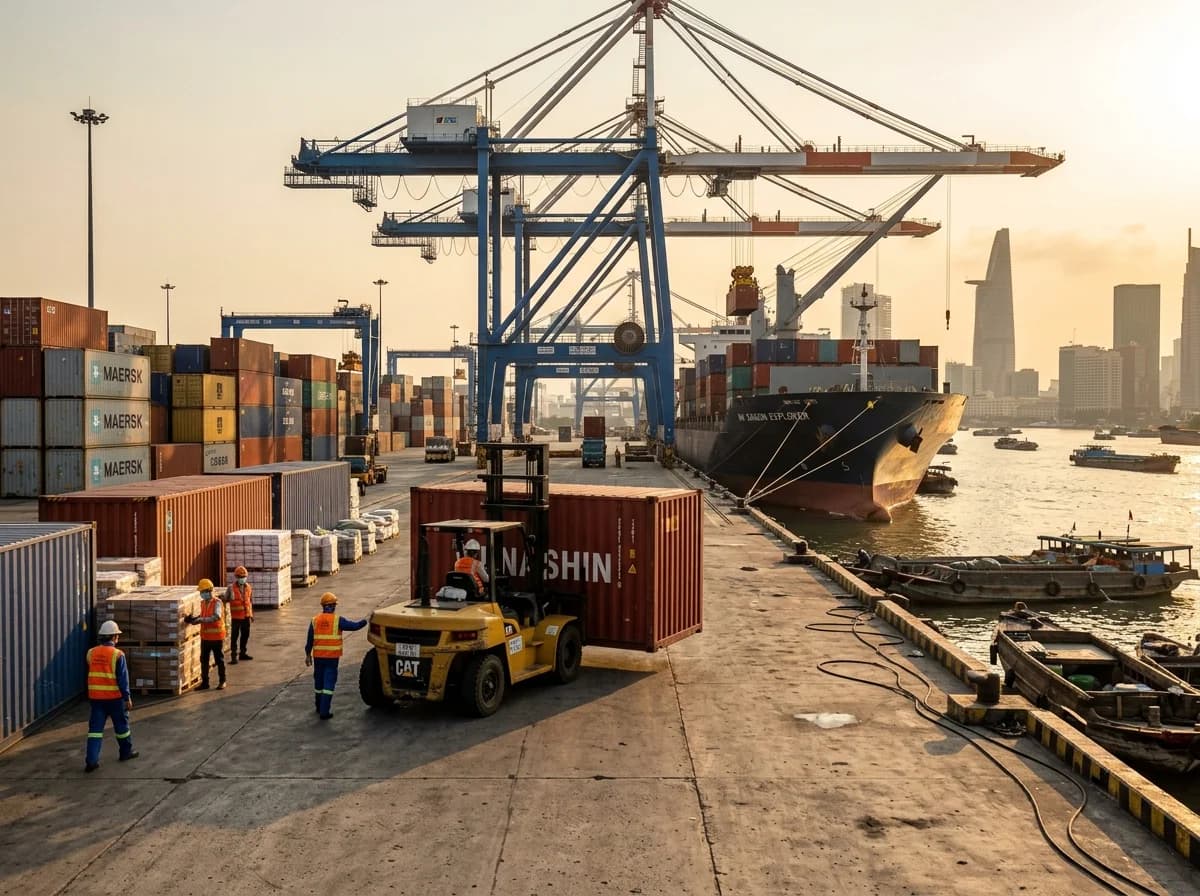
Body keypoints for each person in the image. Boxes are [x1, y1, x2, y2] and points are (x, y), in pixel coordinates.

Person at [84, 620, 138, 772]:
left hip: (96, 699)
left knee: (95, 730)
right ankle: (125, 752)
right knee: (122, 727)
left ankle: (91, 761)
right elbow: (123, 679)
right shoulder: (118, 655)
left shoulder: (91, 653)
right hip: (114, 698)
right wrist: (127, 698)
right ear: (114, 637)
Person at [305, 593, 367, 720]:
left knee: (319, 682)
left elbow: (309, 640)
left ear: (323, 606)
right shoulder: (338, 620)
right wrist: (366, 621)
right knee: (328, 684)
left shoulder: (314, 620)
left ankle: (318, 706)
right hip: (332, 659)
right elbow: (354, 626)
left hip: (318, 658)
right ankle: (324, 712)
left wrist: (307, 655)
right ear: (333, 606)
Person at [187, 578, 227, 691]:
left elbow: (216, 616)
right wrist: (193, 620)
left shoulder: (217, 602)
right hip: (205, 638)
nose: (201, 594)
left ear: (209, 591)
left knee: (219, 659)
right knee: (203, 660)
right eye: (201, 592)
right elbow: (203, 616)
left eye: (203, 592)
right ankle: (205, 683)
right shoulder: (203, 603)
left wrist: (201, 620)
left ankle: (222, 681)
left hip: (216, 637)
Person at [227, 566, 254, 664]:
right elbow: (226, 598)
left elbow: (250, 601)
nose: (242, 578)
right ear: (236, 577)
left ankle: (243, 653)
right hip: (236, 617)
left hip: (246, 617)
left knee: (245, 635)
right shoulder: (231, 588)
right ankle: (234, 656)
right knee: (234, 637)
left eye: (244, 576)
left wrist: (251, 615)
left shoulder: (248, 587)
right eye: (240, 577)